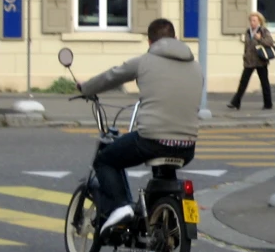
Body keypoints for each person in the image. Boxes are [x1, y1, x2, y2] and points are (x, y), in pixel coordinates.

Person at [78, 18, 203, 235]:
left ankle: (120, 207)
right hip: (187, 146)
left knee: (105, 160)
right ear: (175, 38)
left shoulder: (145, 61)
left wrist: (86, 88)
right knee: (162, 176)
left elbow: (112, 76)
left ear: (150, 41)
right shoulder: (196, 66)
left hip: (152, 140)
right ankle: (158, 222)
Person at [227, 11, 274, 111]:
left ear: (259, 21)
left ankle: (268, 104)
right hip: (249, 61)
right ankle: (236, 102)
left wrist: (260, 39)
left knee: (264, 82)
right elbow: (247, 46)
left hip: (260, 60)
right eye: (251, 20)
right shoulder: (248, 31)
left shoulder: (263, 30)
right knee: (243, 82)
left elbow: (270, 42)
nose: (252, 22)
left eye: (254, 20)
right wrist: (245, 56)